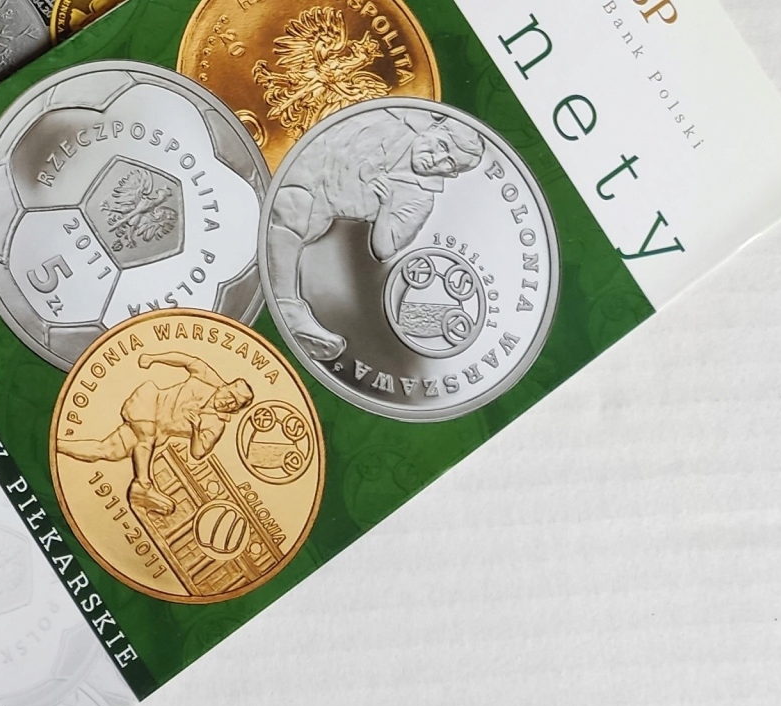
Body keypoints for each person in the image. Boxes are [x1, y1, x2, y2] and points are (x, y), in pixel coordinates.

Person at [264, 108, 486, 362]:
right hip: (306, 162)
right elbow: (328, 131)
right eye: (442, 145)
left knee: (285, 235)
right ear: (433, 129)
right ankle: (289, 310)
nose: (436, 159)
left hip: (320, 212)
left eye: (449, 163)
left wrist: (386, 206)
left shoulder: (420, 199)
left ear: (452, 174)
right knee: (292, 208)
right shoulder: (389, 121)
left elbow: (384, 248)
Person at [54, 350, 254, 518]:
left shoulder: (216, 425)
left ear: (236, 410)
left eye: (234, 404)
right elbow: (188, 360)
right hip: (148, 401)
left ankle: (55, 444)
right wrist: (153, 357)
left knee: (106, 451)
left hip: (155, 433)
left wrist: (196, 429)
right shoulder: (208, 377)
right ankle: (143, 485)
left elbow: (199, 452)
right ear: (224, 386)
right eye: (229, 395)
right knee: (147, 436)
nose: (228, 402)